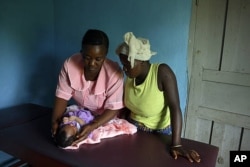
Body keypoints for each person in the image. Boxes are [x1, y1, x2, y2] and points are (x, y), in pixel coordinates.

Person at [116, 32, 201, 163]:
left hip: (159, 132)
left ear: (142, 61)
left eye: (127, 65)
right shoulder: (130, 77)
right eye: (123, 65)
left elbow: (175, 107)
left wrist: (176, 144)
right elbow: (130, 105)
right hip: (133, 128)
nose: (124, 69)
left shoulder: (162, 72)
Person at [51, 29, 124, 146]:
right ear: (81, 52)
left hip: (104, 118)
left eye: (98, 59)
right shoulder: (69, 65)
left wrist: (93, 125)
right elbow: (62, 96)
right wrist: (55, 121)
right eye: (87, 57)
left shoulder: (114, 74)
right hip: (82, 113)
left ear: (105, 55)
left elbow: (113, 108)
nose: (92, 64)